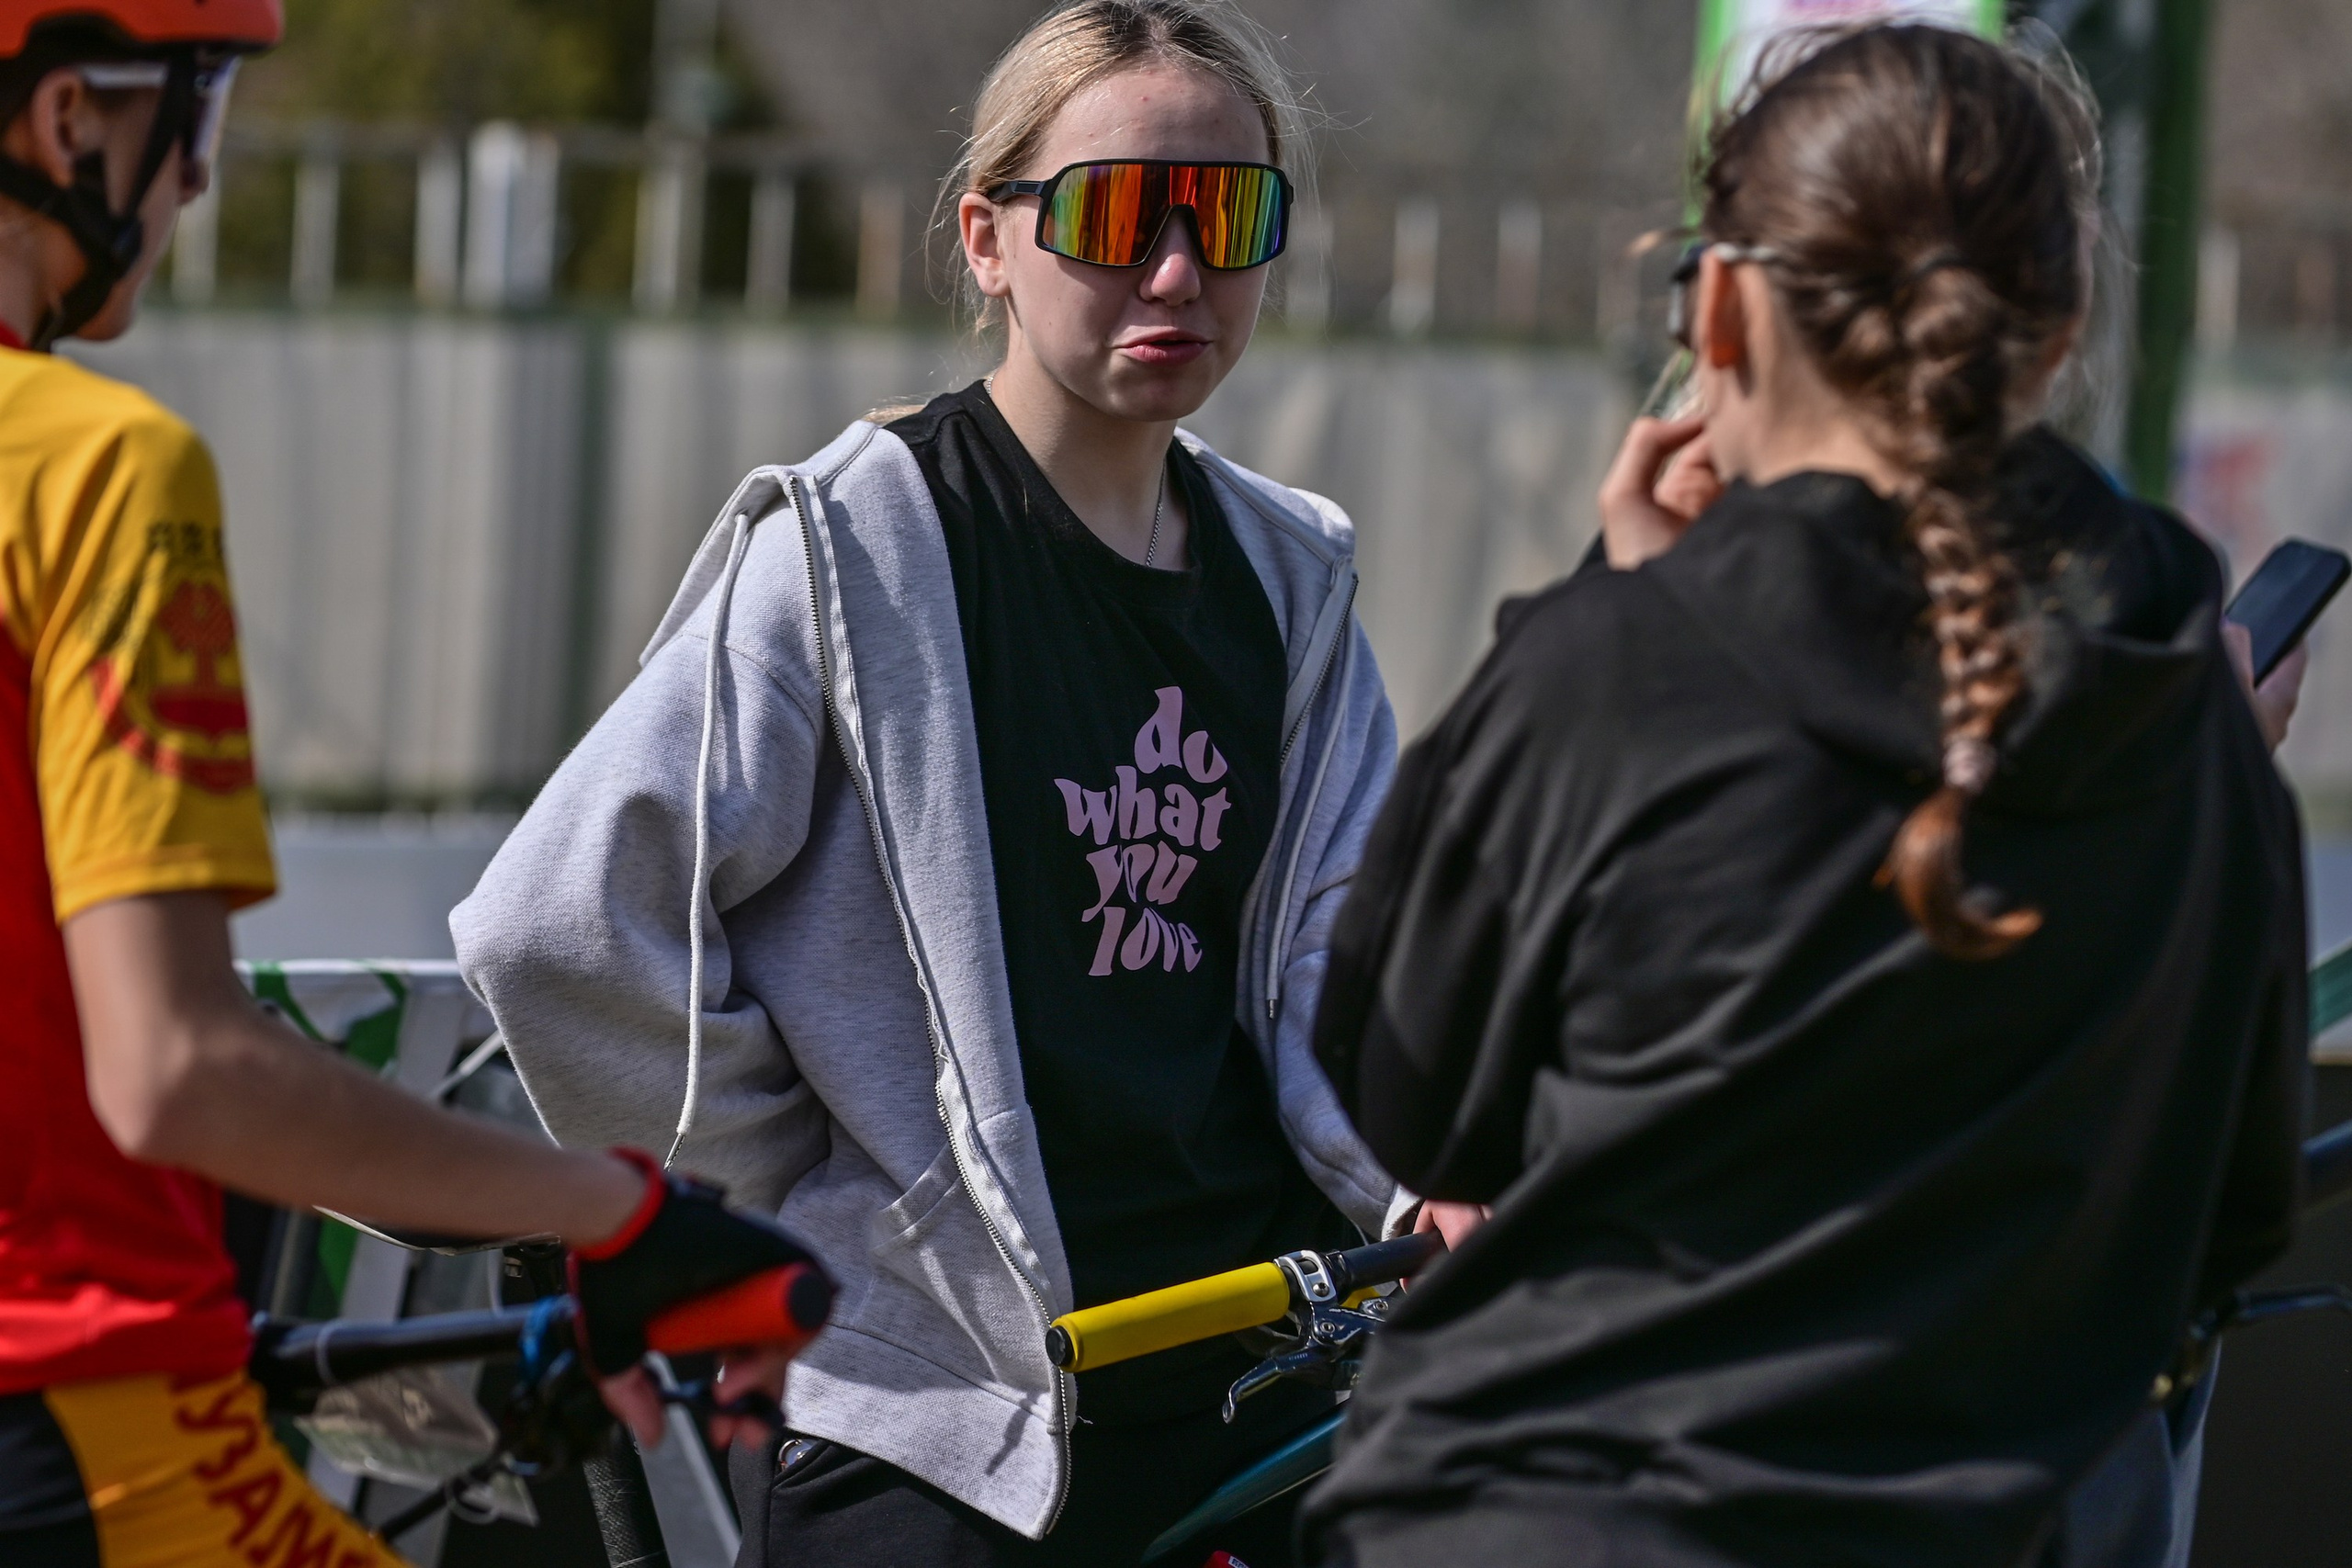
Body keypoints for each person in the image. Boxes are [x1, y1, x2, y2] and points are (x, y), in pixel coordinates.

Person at [1301, 23, 2310, 1568]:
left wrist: (1607, 635)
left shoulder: (1612, 677)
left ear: (1718, 303)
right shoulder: (2195, 728)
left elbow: (1417, 1095)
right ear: (2069, 312)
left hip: (1565, 1516)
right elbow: (2231, 1216)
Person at [453, 3, 1408, 1564]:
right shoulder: (854, 548)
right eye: (1111, 214)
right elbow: (557, 933)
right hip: (949, 1422)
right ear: (988, 237)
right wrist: (830, 1201)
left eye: (1230, 215)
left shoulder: (1289, 578)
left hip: (1261, 1381)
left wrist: (1422, 1178)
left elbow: (1349, 951)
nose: (1177, 270)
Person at [0, 7, 819, 1565]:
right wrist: (614, 1215)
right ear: (65, 125)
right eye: (200, 110)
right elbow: (177, 1069)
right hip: (84, 1424)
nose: (192, 183)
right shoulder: (89, 469)